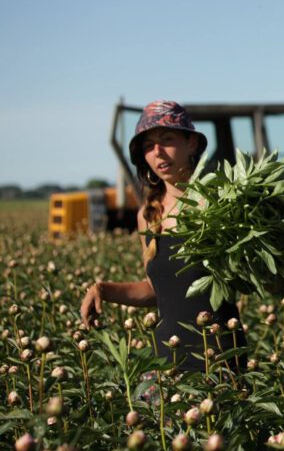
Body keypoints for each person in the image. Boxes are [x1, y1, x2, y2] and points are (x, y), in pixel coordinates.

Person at [80, 100, 246, 373]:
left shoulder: (219, 202)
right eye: (148, 145)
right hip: (167, 359)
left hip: (219, 356)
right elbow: (157, 290)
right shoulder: (148, 215)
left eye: (167, 139)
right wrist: (102, 289)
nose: (157, 152)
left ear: (191, 143)